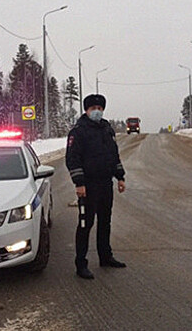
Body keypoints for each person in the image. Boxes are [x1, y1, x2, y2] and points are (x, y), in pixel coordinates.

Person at [65, 94, 127, 279]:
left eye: (100, 108)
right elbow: (72, 159)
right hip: (88, 186)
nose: (97, 112)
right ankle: (81, 263)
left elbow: (113, 155)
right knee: (86, 224)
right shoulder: (78, 131)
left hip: (105, 184)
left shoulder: (107, 129)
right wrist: (79, 183)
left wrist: (120, 177)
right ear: (86, 110)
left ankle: (105, 256)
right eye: (93, 109)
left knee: (105, 222)